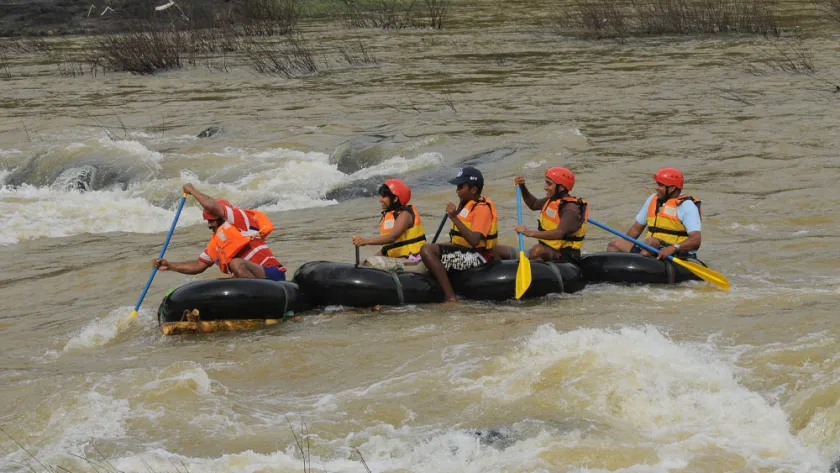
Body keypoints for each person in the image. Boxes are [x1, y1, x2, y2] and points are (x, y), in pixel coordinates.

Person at [153, 184, 287, 280]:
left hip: (271, 274)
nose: (209, 225)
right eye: (207, 221)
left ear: (222, 217)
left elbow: (210, 205)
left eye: (211, 220)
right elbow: (198, 266)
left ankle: (260, 295)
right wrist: (170, 265)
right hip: (250, 280)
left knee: (235, 263)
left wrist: (192, 190)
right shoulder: (216, 243)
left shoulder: (239, 220)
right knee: (218, 282)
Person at [419, 166, 498, 302]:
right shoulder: (465, 204)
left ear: (473, 190)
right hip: (465, 252)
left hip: (477, 256)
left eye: (460, 187)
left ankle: (451, 298)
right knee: (432, 250)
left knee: (426, 250)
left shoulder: (482, 209)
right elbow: (459, 240)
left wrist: (454, 217)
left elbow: (474, 240)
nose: (457, 191)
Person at [496, 167, 587, 264]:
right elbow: (533, 204)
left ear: (562, 187)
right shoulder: (552, 200)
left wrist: (530, 233)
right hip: (545, 250)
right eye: (546, 183)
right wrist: (522, 187)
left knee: (537, 250)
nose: (545, 187)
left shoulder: (571, 209)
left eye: (549, 184)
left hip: (564, 258)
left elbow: (560, 233)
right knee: (496, 249)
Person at [606, 167, 702, 260]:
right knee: (615, 244)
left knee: (651, 241)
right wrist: (624, 244)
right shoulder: (653, 199)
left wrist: (673, 248)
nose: (656, 188)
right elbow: (636, 229)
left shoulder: (687, 206)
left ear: (672, 188)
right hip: (651, 249)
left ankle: (641, 269)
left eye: (660, 185)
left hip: (676, 253)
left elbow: (696, 240)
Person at [351, 179, 427, 273]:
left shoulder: (405, 215)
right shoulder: (393, 215)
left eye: (384, 196)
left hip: (415, 262)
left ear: (395, 199)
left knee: (371, 264)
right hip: (402, 260)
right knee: (364, 265)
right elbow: (388, 248)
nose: (380, 199)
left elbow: (392, 237)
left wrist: (365, 241)